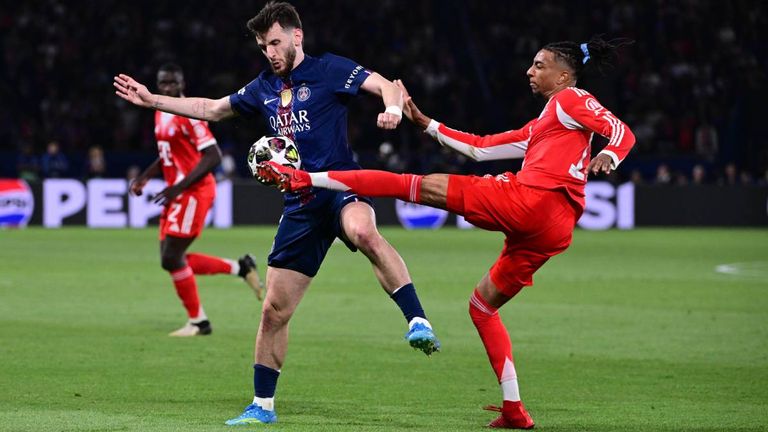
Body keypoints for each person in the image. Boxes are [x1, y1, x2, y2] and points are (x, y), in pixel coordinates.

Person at [257, 37, 636, 429]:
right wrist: (426, 124)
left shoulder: (570, 98)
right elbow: (481, 148)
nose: (530, 70)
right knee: (482, 307)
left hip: (531, 200)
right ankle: (514, 409)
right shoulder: (546, 123)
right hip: (552, 230)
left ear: (564, 74)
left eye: (539, 65)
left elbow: (620, 131)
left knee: (411, 185)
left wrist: (610, 153)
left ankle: (306, 178)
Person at [114, 2, 439, 425]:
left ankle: (417, 320)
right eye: (263, 46)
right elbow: (212, 109)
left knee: (361, 231)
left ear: (295, 37)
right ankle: (262, 406)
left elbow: (389, 86)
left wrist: (393, 110)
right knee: (273, 310)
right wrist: (154, 99)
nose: (269, 52)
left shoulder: (330, 70)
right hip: (300, 205)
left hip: (340, 184)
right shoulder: (263, 88)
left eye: (274, 42)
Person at [128, 63, 264, 337]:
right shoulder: (160, 113)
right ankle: (240, 267)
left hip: (193, 192)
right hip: (177, 191)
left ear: (182, 85)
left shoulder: (187, 115)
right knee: (170, 258)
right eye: (162, 83)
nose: (167, 88)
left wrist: (178, 187)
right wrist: (145, 176)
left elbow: (212, 155)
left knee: (171, 257)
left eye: (172, 83)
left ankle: (199, 323)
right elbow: (167, 153)